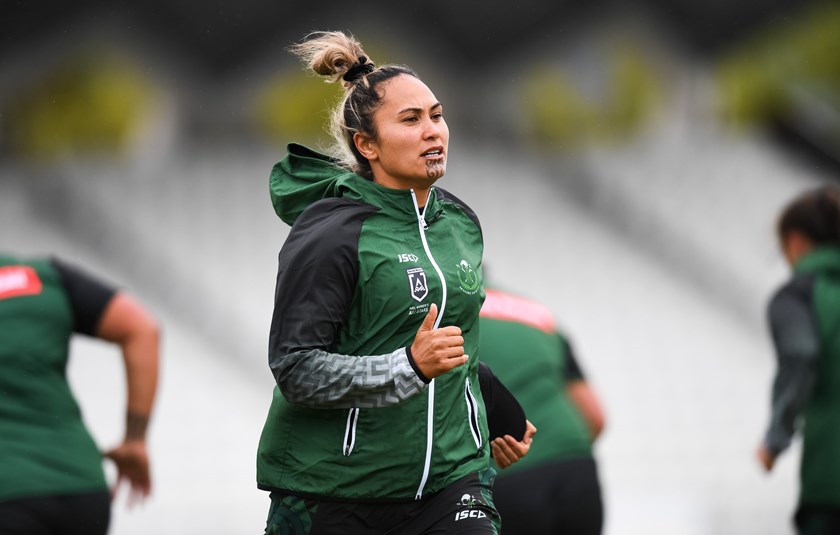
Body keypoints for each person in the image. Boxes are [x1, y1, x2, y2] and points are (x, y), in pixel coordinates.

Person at [256, 30, 536, 535]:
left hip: (451, 481)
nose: (433, 131)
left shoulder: (459, 223)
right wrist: (407, 367)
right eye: (411, 120)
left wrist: (490, 405)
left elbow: (452, 345)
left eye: (437, 115)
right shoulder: (329, 234)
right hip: (334, 492)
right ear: (367, 144)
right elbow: (295, 368)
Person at [0, 253, 160, 534]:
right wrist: (135, 441)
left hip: (8, 494)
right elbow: (142, 329)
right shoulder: (44, 276)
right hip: (80, 491)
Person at [478, 283, 606, 534]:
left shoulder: (437, 317)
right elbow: (595, 417)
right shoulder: (535, 312)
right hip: (577, 468)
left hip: (508, 477)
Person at [757, 185, 840, 535]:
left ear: (795, 242)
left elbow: (801, 357)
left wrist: (775, 439)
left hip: (831, 483)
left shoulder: (797, 297)